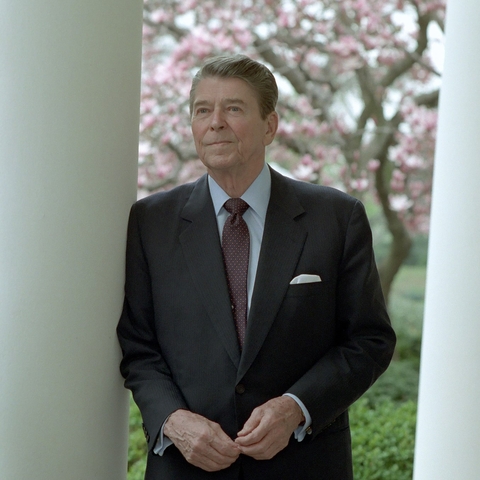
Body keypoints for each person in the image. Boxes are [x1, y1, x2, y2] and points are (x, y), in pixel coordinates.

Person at [117, 54, 396, 480]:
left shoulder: (337, 217)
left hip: (304, 464)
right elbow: (138, 345)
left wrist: (296, 408)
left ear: (270, 125)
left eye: (233, 108)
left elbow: (369, 340)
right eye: (202, 110)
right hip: (185, 466)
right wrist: (173, 419)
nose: (215, 123)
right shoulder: (151, 222)